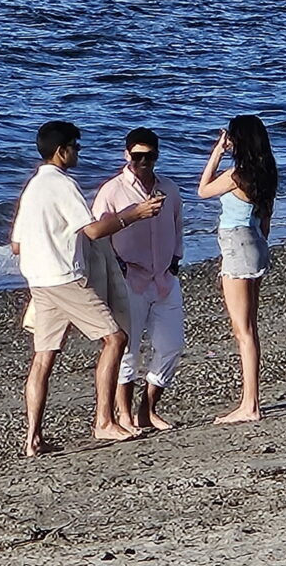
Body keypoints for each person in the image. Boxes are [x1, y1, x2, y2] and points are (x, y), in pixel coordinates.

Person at [10, 120, 164, 457]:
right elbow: (94, 230)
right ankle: (103, 421)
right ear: (62, 150)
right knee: (115, 338)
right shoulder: (63, 184)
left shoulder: (32, 187)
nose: (78, 153)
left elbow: (17, 244)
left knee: (43, 359)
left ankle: (33, 438)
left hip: (38, 279)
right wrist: (134, 214)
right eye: (75, 147)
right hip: (64, 277)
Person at [91, 127, 184, 432]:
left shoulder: (168, 188)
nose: (144, 162)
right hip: (129, 276)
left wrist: (175, 261)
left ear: (157, 155)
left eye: (150, 156)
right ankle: (124, 415)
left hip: (164, 277)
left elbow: (177, 225)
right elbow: (94, 232)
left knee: (171, 345)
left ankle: (147, 409)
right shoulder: (112, 190)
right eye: (138, 156)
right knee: (127, 351)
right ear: (127, 155)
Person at [198, 115, 277, 424]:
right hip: (256, 241)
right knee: (250, 329)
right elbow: (266, 218)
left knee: (243, 332)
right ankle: (250, 401)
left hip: (237, 243)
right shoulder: (266, 173)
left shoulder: (236, 174)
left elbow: (203, 189)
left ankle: (250, 404)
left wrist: (216, 152)